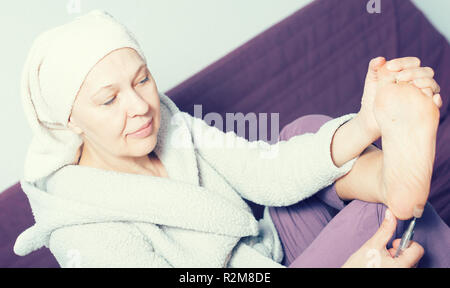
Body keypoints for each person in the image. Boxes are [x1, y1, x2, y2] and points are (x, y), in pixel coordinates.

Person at [14, 9, 449, 268]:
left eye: (142, 79)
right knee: (383, 220)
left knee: (297, 136)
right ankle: (390, 187)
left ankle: (390, 174)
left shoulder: (166, 121)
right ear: (69, 121)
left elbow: (267, 173)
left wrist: (364, 123)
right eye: (109, 100)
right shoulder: (85, 235)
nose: (140, 106)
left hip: (268, 251)